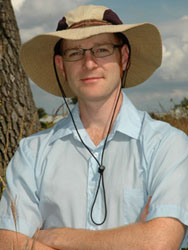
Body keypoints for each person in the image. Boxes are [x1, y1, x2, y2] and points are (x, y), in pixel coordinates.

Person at [0, 4, 188, 250]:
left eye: (102, 49)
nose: (89, 63)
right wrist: (132, 237)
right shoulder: (32, 153)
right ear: (61, 65)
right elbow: (8, 241)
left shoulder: (167, 144)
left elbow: (159, 242)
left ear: (124, 57)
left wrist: (55, 237)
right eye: (75, 53)